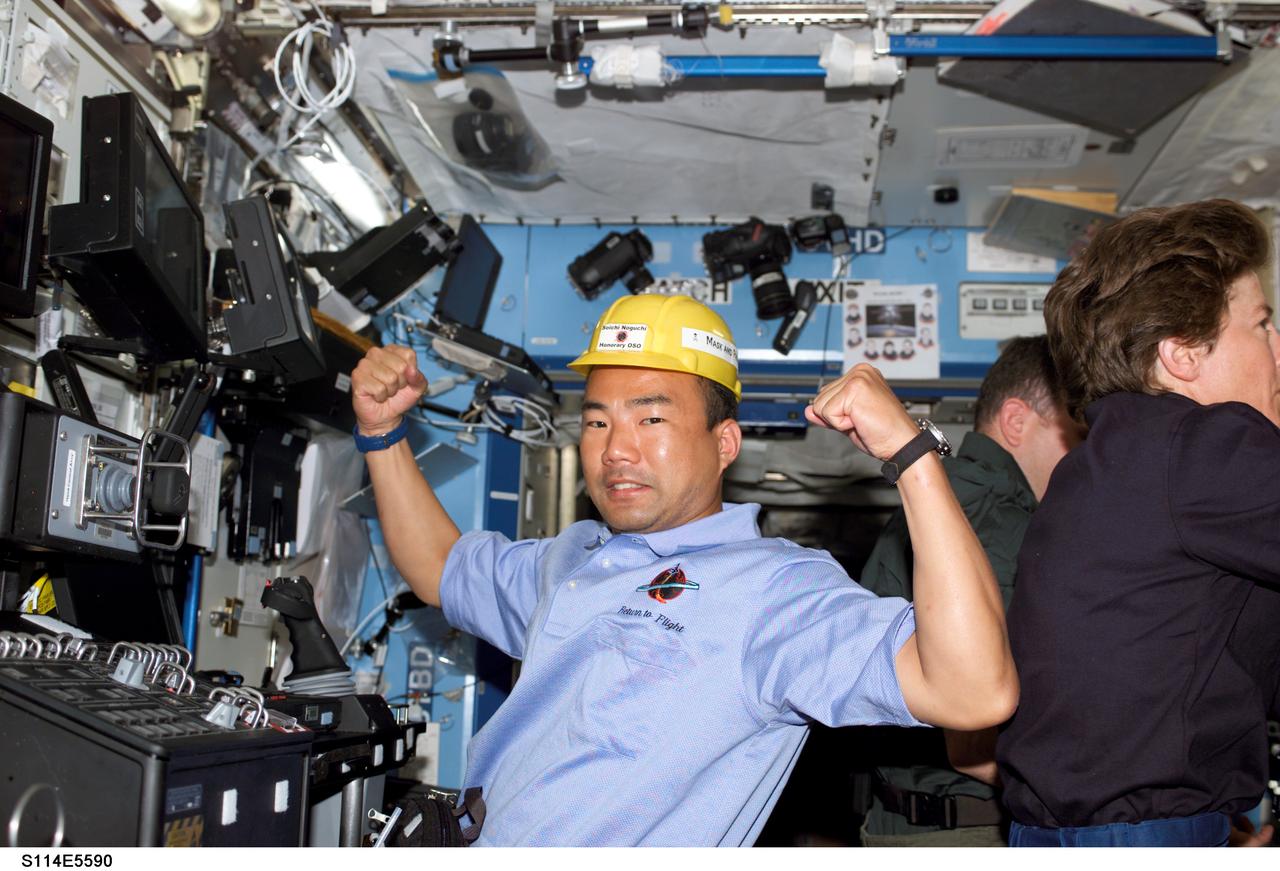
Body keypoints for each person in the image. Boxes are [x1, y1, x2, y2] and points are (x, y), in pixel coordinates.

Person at [351, 293, 1018, 846]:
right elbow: (441, 567)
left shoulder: (773, 592)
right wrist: (381, 433)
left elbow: (972, 692)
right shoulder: (573, 558)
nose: (616, 449)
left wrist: (911, 454)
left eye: (652, 417)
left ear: (724, 442)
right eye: (597, 420)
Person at [996, 199, 1280, 847]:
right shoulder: (1205, 445)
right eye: (1262, 324)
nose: (1278, 348)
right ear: (1182, 353)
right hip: (1141, 830)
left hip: (1049, 824)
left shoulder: (1094, 466)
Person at [857, 335, 1084, 846]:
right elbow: (974, 745)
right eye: (1077, 431)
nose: (1086, 452)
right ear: (1017, 421)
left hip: (908, 820)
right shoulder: (998, 525)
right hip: (971, 828)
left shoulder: (940, 503)